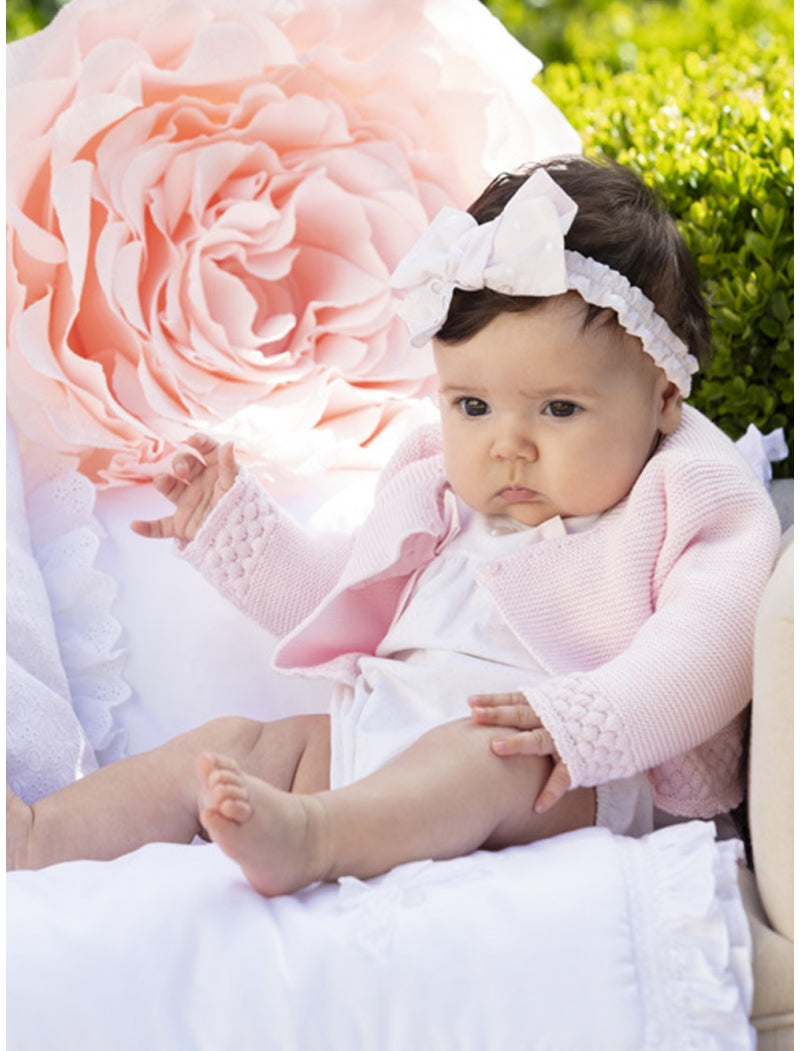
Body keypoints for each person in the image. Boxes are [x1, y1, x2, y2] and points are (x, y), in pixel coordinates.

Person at [7, 156, 780, 897]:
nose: (507, 443)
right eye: (472, 405)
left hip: (563, 775)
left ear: (663, 397)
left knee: (481, 759)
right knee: (235, 745)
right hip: (379, 734)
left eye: (559, 408)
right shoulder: (439, 489)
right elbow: (346, 592)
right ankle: (40, 837)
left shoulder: (686, 490)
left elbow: (709, 644)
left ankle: (315, 837)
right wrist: (232, 530)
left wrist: (587, 721)